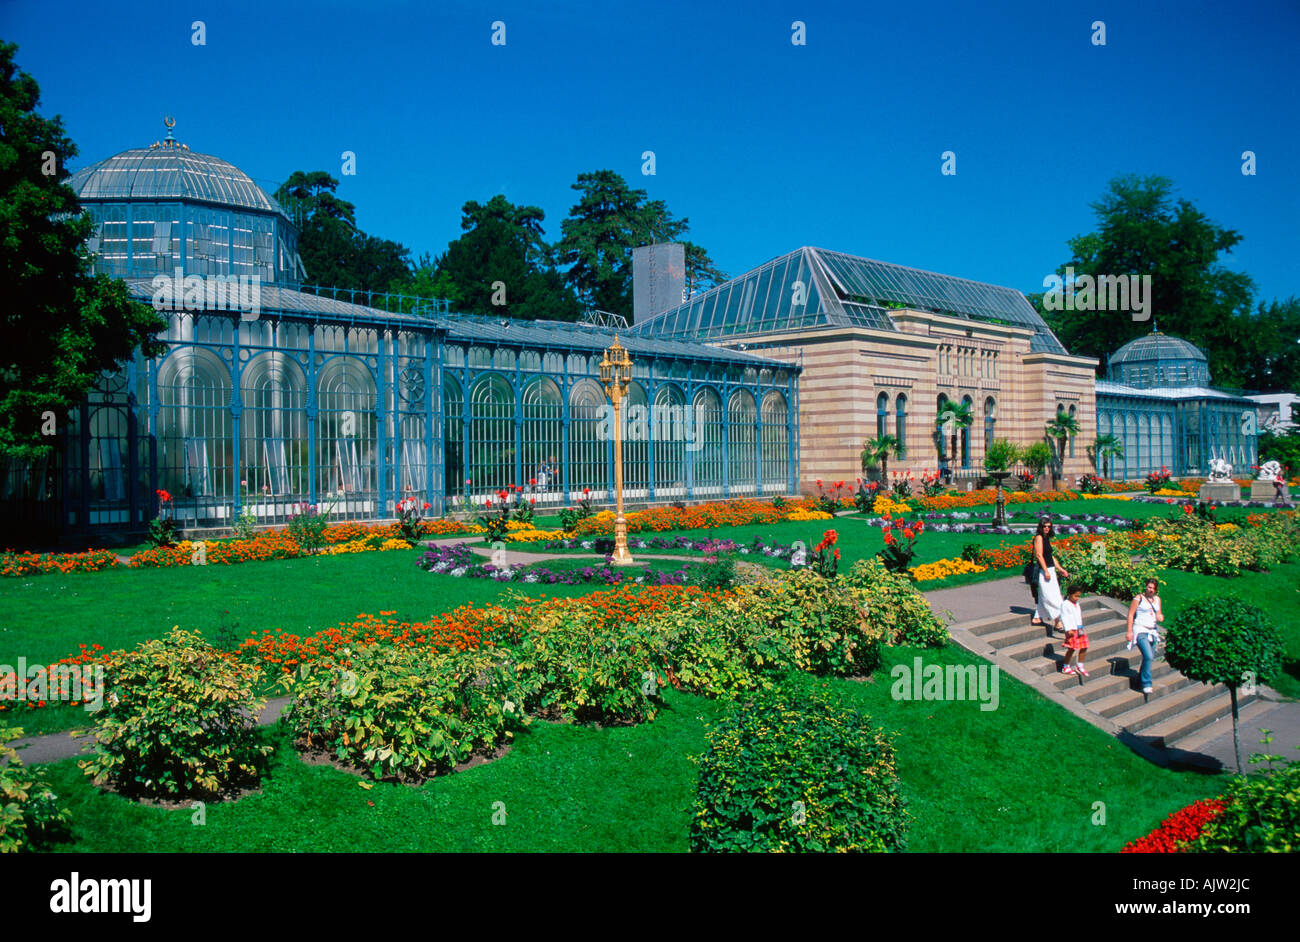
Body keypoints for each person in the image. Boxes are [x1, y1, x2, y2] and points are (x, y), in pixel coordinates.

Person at [1126, 577, 1164, 694]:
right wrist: (1129, 631)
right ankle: (1147, 683)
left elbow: (1159, 614)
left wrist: (1160, 617)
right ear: (1146, 587)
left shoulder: (1157, 599)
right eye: (1149, 587)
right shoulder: (1139, 598)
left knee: (1149, 657)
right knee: (1148, 656)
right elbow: (1131, 615)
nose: (1151, 590)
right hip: (1140, 629)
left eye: (1153, 588)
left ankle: (1139, 680)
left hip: (1152, 631)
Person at [1031, 517, 1071, 629]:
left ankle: (1037, 618)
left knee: (1050, 595)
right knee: (1051, 597)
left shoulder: (1046, 538)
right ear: (1040, 527)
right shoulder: (1038, 538)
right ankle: (1058, 621)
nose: (1047, 528)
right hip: (1044, 571)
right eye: (1045, 526)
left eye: (1049, 526)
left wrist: (1060, 569)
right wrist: (1045, 571)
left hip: (1051, 570)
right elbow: (1039, 555)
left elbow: (1050, 556)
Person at [1058, 584, 1090, 676]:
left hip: (1079, 629)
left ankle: (1080, 665)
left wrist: (1081, 627)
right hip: (1071, 630)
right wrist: (1068, 629)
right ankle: (1066, 666)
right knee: (1071, 648)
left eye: (1078, 596)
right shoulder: (1065, 604)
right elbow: (1064, 617)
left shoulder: (1076, 604)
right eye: (1075, 596)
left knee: (1084, 646)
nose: (1077, 598)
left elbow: (1078, 616)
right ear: (1069, 594)